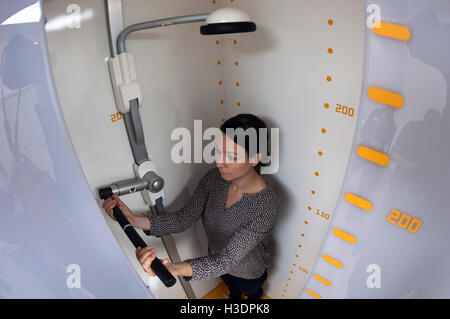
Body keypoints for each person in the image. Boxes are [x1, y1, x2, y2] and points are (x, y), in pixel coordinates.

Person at [102, 113, 280, 299]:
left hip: (248, 272)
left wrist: (172, 269)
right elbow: (183, 219)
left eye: (231, 157)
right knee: (232, 289)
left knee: (252, 293)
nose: (219, 162)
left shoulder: (266, 206)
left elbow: (224, 260)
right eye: (218, 151)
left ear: (254, 159)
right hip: (216, 264)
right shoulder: (214, 178)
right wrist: (133, 220)